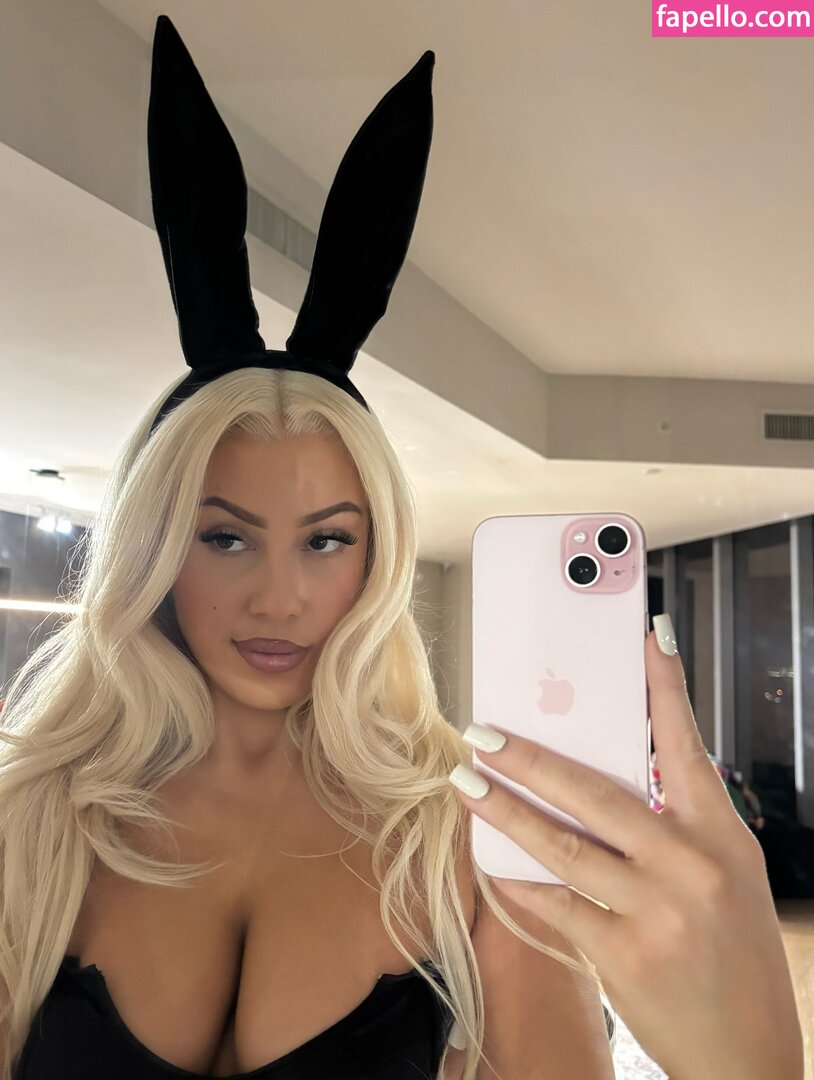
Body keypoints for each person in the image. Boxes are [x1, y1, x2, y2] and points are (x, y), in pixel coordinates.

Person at [0, 14, 803, 1080]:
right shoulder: (32, 825)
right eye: (225, 537)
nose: (278, 598)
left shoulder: (463, 840)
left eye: (326, 541)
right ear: (154, 547)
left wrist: (751, 1062)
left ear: (376, 558)